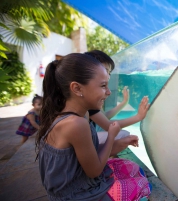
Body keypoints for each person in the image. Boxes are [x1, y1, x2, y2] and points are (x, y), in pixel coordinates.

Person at [36, 53, 151, 200]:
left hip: (71, 185)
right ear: (77, 89)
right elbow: (94, 171)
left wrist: (118, 143)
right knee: (142, 184)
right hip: (75, 195)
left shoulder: (71, 114)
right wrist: (110, 136)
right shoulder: (76, 124)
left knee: (133, 167)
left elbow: (83, 156)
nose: (108, 92)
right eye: (103, 86)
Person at [84, 50, 148, 147]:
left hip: (86, 135)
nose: (108, 76)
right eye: (105, 70)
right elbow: (108, 125)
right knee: (124, 135)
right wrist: (138, 117)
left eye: (109, 72)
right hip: (83, 142)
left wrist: (124, 103)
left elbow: (103, 117)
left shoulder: (90, 93)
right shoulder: (88, 96)